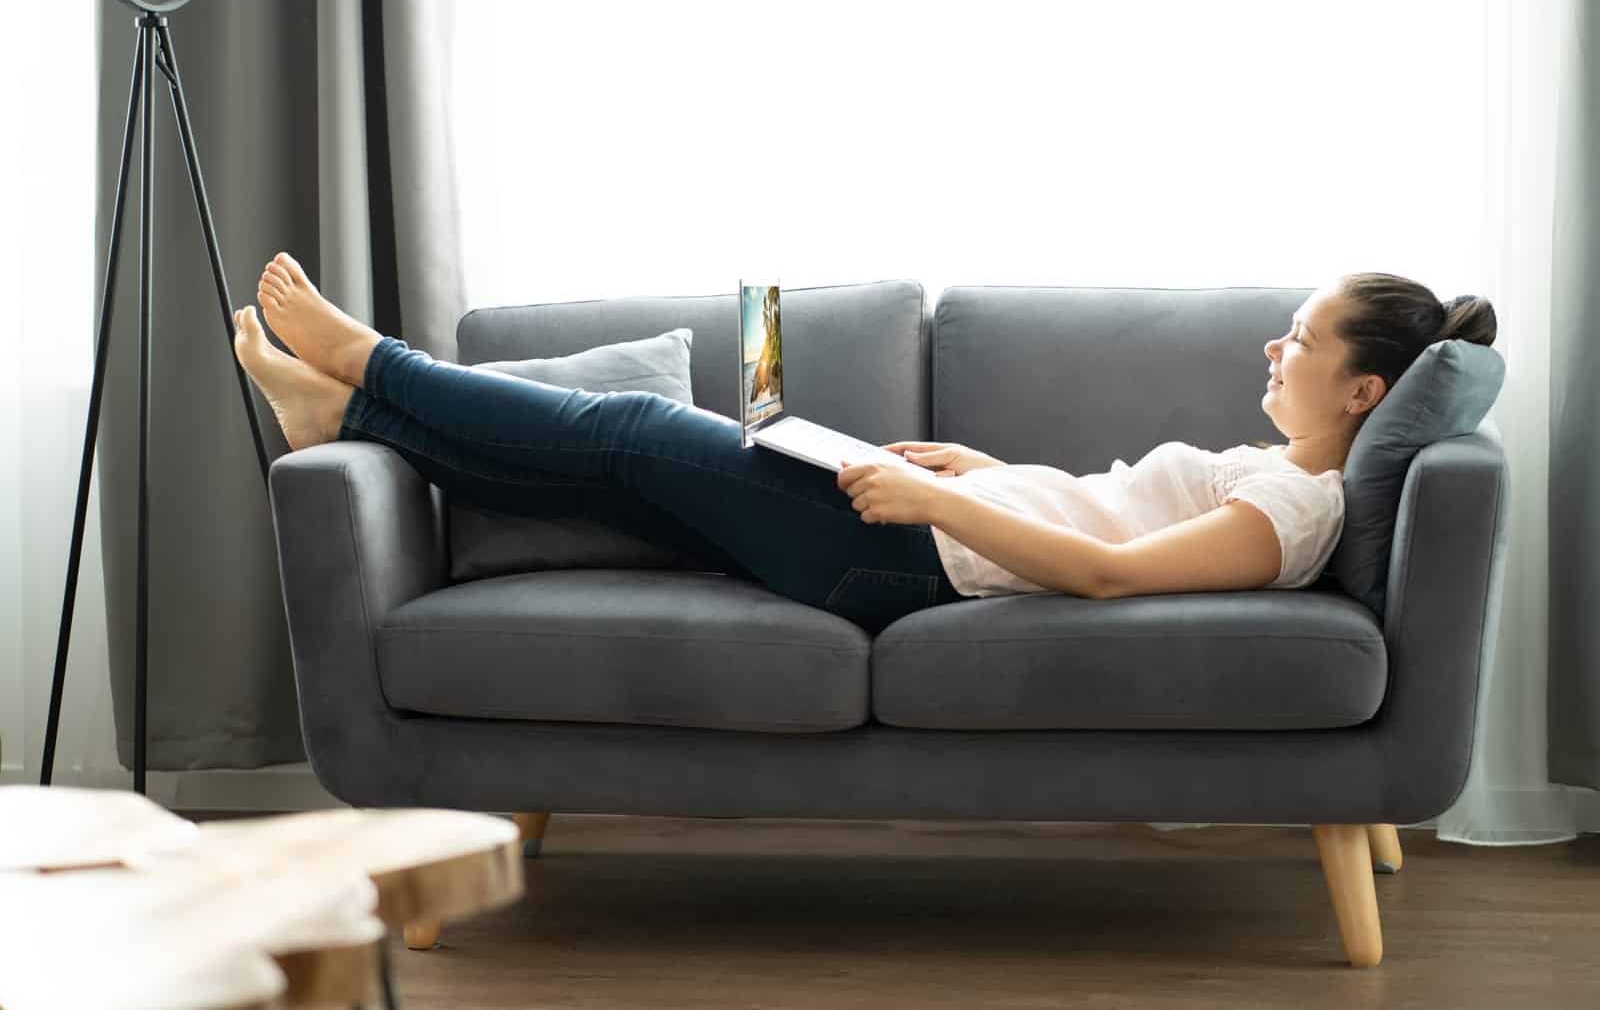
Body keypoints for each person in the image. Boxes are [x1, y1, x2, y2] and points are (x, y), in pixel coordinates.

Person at [232, 256, 1495, 633]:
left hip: (902, 567)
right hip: (933, 533)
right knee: (628, 472)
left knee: (633, 428)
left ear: (1364, 388)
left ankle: (373, 367)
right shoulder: (1284, 470)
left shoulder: (1295, 513)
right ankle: (349, 419)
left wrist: (926, 505)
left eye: (1298, 342)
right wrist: (975, 469)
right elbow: (1099, 514)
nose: (1272, 353)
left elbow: (1103, 575)